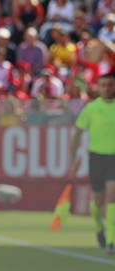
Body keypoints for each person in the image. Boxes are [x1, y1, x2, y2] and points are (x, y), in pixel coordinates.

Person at [71, 73, 115, 254]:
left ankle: (111, 240)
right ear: (98, 87)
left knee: (112, 196)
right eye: (103, 85)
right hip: (97, 157)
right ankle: (98, 226)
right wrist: (72, 162)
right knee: (98, 199)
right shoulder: (90, 109)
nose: (107, 88)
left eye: (110, 85)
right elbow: (77, 135)